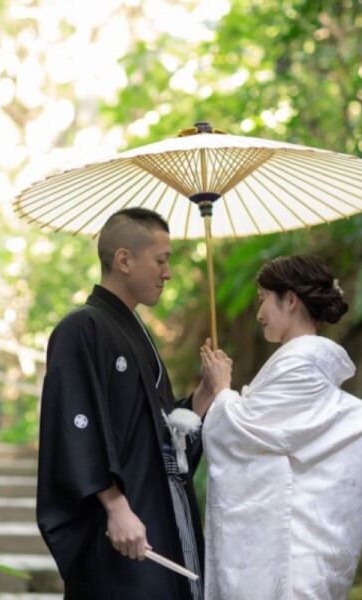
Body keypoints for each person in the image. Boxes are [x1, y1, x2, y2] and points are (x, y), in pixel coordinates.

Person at [36, 207, 214, 599]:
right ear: (124, 260)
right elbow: (74, 425)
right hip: (122, 524)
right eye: (161, 261)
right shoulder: (81, 327)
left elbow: (159, 434)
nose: (168, 273)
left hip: (158, 513)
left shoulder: (135, 331)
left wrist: (206, 392)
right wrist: (115, 506)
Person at [199, 254, 362, 600]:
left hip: (291, 553)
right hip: (298, 545)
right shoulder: (301, 364)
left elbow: (240, 433)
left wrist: (223, 389)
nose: (258, 313)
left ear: (289, 300)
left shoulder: (299, 366)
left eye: (262, 299)